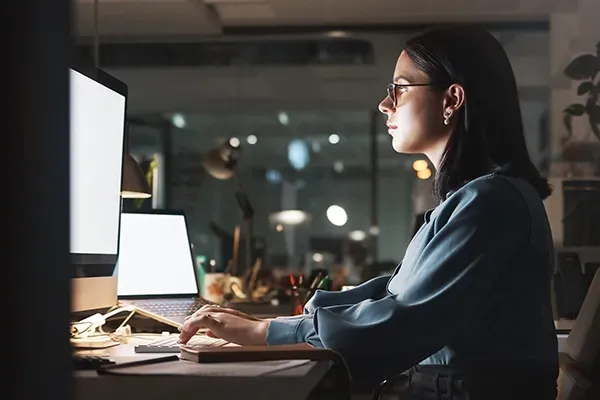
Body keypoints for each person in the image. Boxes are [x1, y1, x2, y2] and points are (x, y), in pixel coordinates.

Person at [178, 25, 559, 399]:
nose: (385, 103)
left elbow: (405, 321)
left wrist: (266, 334)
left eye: (400, 88)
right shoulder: (479, 197)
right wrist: (278, 324)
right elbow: (393, 293)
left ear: (452, 99)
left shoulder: (490, 201)